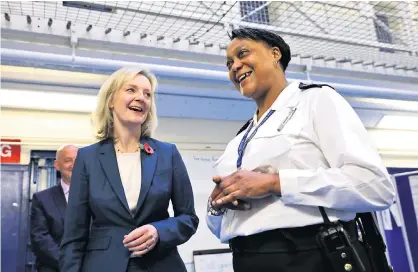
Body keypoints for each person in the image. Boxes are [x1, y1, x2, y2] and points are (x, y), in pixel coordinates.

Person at [206, 27, 396, 272]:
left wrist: (275, 183)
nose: (235, 66)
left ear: (275, 54)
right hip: (246, 258)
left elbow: (375, 185)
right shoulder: (240, 138)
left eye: (243, 54)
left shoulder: (316, 100)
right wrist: (216, 206)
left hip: (309, 255)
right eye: (229, 63)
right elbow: (221, 228)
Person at [60, 67, 199, 272]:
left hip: (161, 264)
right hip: (104, 265)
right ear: (110, 101)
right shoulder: (88, 158)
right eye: (131, 90)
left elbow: (188, 218)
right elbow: (74, 235)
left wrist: (158, 231)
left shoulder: (167, 154)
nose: (141, 98)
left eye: (147, 94)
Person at [30, 144, 78, 272]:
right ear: (57, 165)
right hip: (54, 267)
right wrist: (68, 264)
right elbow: (40, 238)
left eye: (78, 161)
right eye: (68, 160)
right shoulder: (42, 199)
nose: (74, 165)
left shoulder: (96, 197)